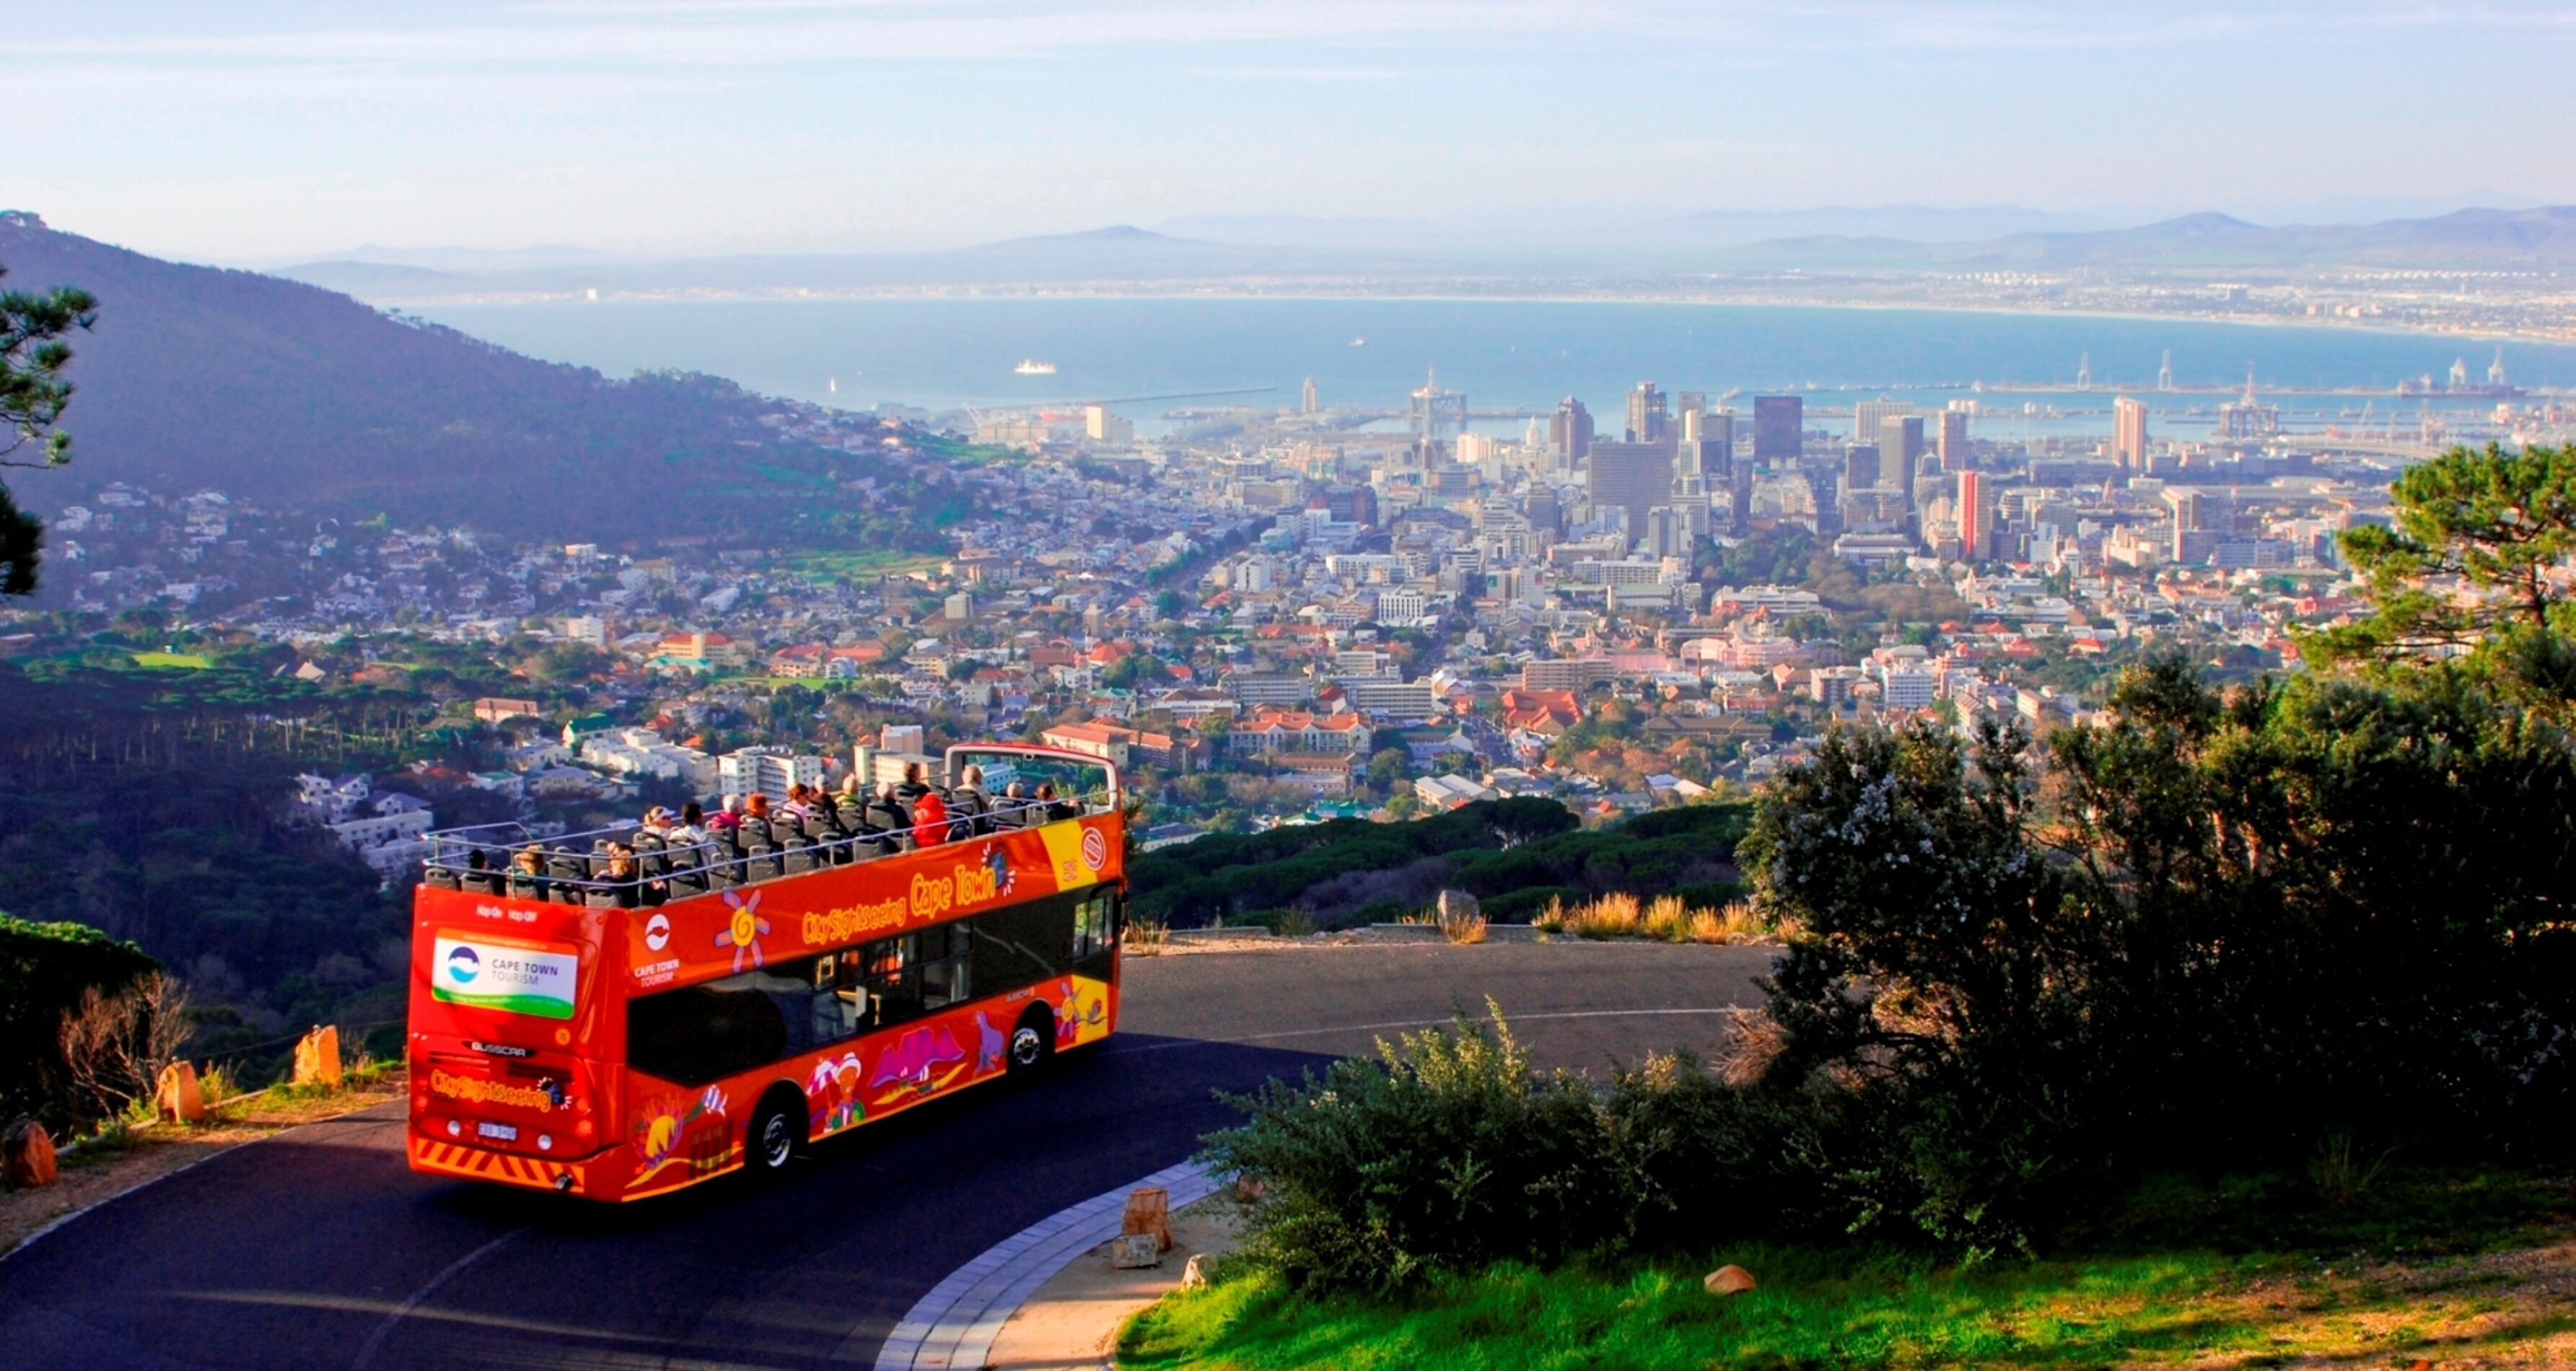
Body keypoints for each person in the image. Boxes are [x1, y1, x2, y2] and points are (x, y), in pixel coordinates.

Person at [950, 764, 991, 838]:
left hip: (962, 827)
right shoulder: (981, 793)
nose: (982, 777)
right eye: (980, 775)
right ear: (977, 777)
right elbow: (991, 806)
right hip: (980, 828)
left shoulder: (956, 792)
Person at [911, 785, 951, 849]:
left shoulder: (923, 824)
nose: (920, 810)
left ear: (927, 810)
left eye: (922, 808)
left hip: (924, 850)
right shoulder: (943, 820)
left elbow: (915, 837)